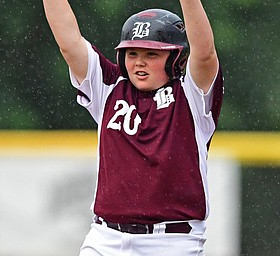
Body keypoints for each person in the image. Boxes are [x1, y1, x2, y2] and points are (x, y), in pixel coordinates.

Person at [43, 0, 223, 255]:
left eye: (152, 54)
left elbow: (205, 54)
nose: (139, 62)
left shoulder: (191, 97)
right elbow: (69, 43)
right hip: (106, 239)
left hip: (172, 242)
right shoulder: (109, 87)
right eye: (132, 53)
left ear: (176, 58)